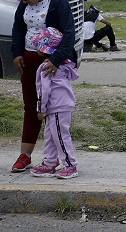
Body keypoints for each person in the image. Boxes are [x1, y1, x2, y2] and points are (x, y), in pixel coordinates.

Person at [9, 0, 76, 174]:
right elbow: (17, 29)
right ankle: (25, 155)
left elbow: (69, 33)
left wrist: (56, 60)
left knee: (51, 110)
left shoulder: (58, 3)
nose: (23, 2)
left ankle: (54, 159)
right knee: (31, 107)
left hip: (49, 63)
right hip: (28, 60)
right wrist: (16, 53)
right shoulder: (24, 5)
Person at [28, 27, 79, 179]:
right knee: (50, 135)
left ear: (44, 49)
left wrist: (40, 109)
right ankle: (50, 162)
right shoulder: (62, 65)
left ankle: (70, 165)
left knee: (60, 136)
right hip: (59, 106)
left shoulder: (46, 67)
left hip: (57, 106)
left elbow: (44, 91)